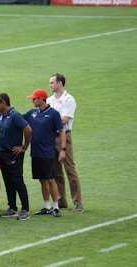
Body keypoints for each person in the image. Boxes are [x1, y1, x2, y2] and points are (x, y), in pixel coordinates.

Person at [0, 93, 32, 221]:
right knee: (8, 181)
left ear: (3, 103)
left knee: (17, 181)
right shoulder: (0, 116)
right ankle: (12, 208)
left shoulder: (14, 115)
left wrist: (24, 147)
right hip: (2, 154)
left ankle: (25, 209)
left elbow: (28, 129)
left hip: (14, 154)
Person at [23, 88, 66, 218]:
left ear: (41, 99)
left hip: (48, 152)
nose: (32, 101)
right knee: (42, 180)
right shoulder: (32, 113)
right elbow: (18, 120)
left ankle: (56, 206)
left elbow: (61, 131)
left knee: (51, 179)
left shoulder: (53, 114)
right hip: (35, 152)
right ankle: (47, 206)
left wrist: (63, 150)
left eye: (34, 99)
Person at [47, 73, 84, 213]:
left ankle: (78, 202)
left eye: (52, 83)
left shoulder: (69, 99)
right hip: (51, 136)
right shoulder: (50, 100)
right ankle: (61, 200)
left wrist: (47, 121)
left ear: (60, 83)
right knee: (56, 171)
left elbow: (64, 120)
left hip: (64, 136)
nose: (50, 85)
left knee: (70, 169)